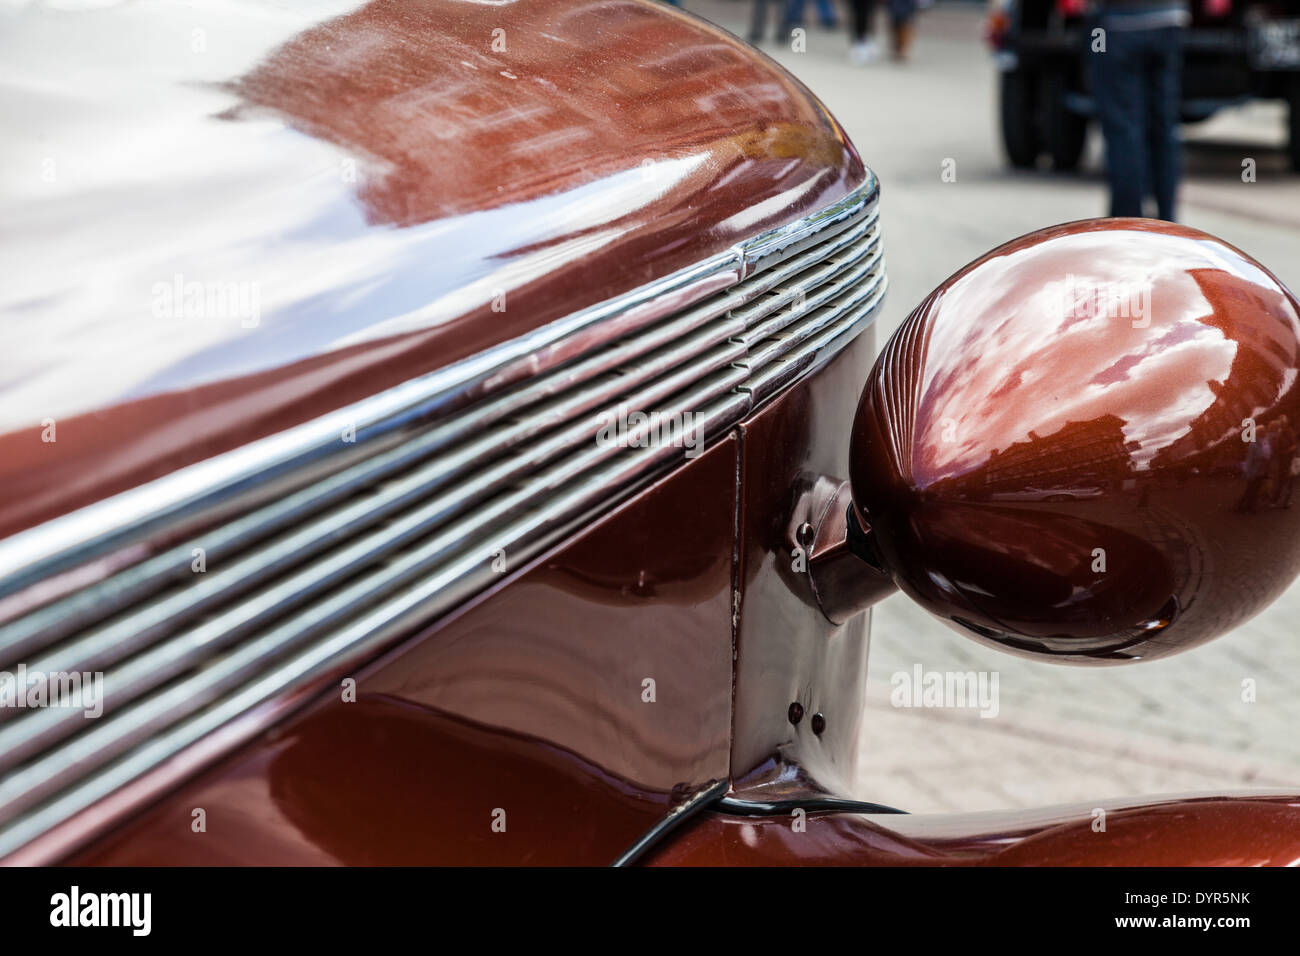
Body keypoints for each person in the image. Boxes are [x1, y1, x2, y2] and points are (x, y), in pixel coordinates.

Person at [1086, 0, 1189, 220]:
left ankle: (1128, 223)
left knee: (1124, 130)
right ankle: (1168, 225)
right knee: (1164, 127)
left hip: (1119, 23)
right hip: (1169, 20)